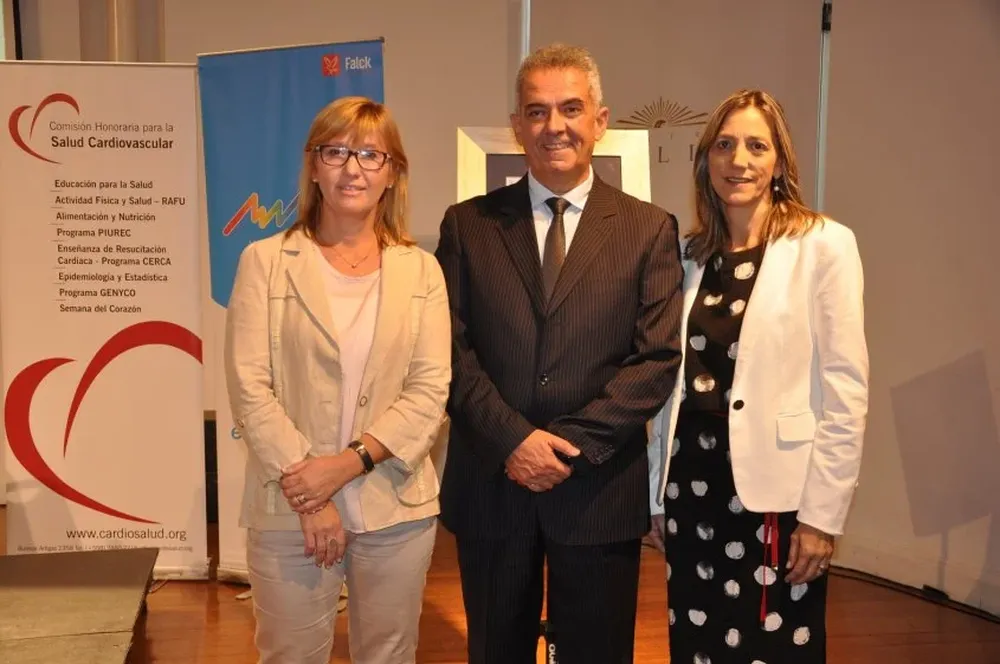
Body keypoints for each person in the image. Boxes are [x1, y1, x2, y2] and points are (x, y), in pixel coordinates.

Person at [434, 43, 684, 664]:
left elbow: (655, 360)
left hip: (597, 488)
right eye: (537, 111)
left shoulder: (648, 229)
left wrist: (563, 446)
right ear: (517, 126)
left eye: (570, 108)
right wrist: (515, 442)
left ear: (601, 120)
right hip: (494, 481)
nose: (555, 126)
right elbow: (447, 349)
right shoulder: (467, 226)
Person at [223, 96, 451, 664]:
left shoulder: (422, 269)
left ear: (392, 172)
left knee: (389, 655)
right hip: (288, 504)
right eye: (337, 151)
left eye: (371, 154)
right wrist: (311, 493)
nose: (353, 168)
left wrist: (344, 466)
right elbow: (251, 389)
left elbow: (429, 391)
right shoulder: (264, 260)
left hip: (395, 504)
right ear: (313, 164)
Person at [646, 88, 869, 663]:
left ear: (779, 162)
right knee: (698, 643)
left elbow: (846, 390)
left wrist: (822, 517)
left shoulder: (823, 246)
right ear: (705, 161)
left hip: (778, 496)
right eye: (724, 145)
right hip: (691, 489)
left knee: (774, 645)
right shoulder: (687, 254)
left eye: (755, 145)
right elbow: (667, 387)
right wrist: (656, 494)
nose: (738, 160)